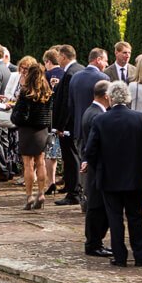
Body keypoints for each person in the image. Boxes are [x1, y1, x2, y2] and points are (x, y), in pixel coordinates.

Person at [82, 80, 142, 267]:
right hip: (135, 175)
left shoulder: (100, 120)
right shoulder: (141, 119)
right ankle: (140, 256)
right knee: (135, 217)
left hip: (109, 176)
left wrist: (99, 163)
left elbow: (90, 151)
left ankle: (120, 256)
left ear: (110, 98)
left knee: (115, 218)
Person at [63, 47, 108, 207]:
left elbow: (71, 105)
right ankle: (95, 198)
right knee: (96, 162)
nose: (106, 64)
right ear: (98, 59)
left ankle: (84, 197)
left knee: (83, 161)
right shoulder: (103, 78)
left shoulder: (75, 77)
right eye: (105, 61)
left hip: (79, 126)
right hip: (99, 127)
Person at [11, 56, 53, 209]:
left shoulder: (25, 92)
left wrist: (15, 117)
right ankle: (41, 193)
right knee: (40, 162)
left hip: (27, 131)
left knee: (28, 165)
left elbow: (19, 115)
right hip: (42, 130)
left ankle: (29, 196)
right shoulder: (47, 92)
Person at [80, 79, 112, 257]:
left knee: (96, 205)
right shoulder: (97, 115)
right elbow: (95, 144)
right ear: (106, 96)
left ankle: (94, 241)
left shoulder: (90, 111)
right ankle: (94, 242)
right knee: (96, 206)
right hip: (97, 167)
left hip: (93, 165)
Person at [51, 45, 86, 204]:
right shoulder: (80, 69)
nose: (57, 59)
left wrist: (60, 126)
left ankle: (74, 193)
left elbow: (66, 103)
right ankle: (73, 188)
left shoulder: (71, 73)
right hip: (77, 122)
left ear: (64, 57)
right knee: (74, 156)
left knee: (72, 158)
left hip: (69, 125)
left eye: (59, 56)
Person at [42, 47, 64, 195]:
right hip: (63, 115)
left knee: (51, 152)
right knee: (66, 150)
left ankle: (51, 181)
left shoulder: (45, 75)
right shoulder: (66, 73)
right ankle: (68, 180)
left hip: (49, 116)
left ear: (48, 61)